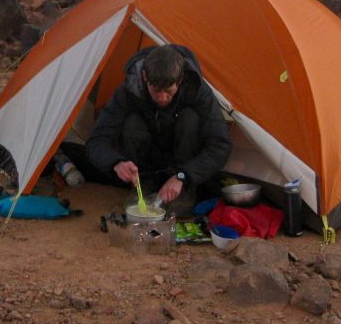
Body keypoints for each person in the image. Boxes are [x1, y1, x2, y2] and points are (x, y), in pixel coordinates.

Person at [85, 44, 231, 217]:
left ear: (180, 80)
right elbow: (96, 140)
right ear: (144, 77)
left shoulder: (198, 90)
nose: (162, 98)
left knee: (190, 118)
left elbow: (220, 145)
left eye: (169, 91)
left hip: (183, 166)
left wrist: (183, 176)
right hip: (146, 162)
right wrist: (116, 163)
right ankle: (143, 185)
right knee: (132, 122)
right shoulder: (129, 89)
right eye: (156, 90)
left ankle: (184, 191)